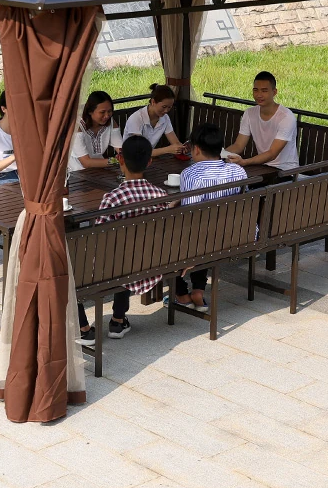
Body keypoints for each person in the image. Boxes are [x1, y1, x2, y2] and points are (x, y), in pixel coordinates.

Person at [95, 135, 169, 338]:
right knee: (128, 253)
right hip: (152, 260)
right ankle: (118, 319)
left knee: (118, 253)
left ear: (120, 159)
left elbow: (99, 239)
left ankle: (87, 328)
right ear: (149, 161)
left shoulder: (113, 199)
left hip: (118, 266)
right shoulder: (161, 195)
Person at [176, 123, 247, 310]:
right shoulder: (238, 170)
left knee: (171, 236)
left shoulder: (191, 174)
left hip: (204, 240)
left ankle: (181, 294)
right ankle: (198, 289)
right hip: (235, 234)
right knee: (208, 229)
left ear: (196, 149)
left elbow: (190, 217)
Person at [226, 71, 299, 172]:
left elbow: (272, 153)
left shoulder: (286, 117)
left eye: (264, 91)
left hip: (285, 171)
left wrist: (245, 162)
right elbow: (238, 145)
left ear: (274, 92)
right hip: (262, 167)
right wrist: (218, 155)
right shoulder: (249, 113)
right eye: (256, 90)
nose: (259, 95)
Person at [123, 84, 185, 157]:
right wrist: (167, 150)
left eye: (169, 107)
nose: (166, 110)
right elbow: (141, 152)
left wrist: (181, 147)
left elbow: (175, 142)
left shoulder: (165, 118)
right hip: (131, 159)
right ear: (153, 102)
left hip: (148, 159)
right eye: (164, 107)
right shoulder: (136, 119)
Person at [68, 91, 122, 173]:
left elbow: (121, 149)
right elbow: (86, 162)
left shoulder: (110, 122)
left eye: (109, 111)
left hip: (99, 169)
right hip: (76, 172)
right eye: (102, 112)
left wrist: (125, 157)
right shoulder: (77, 126)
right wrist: (117, 161)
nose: (107, 115)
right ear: (90, 111)